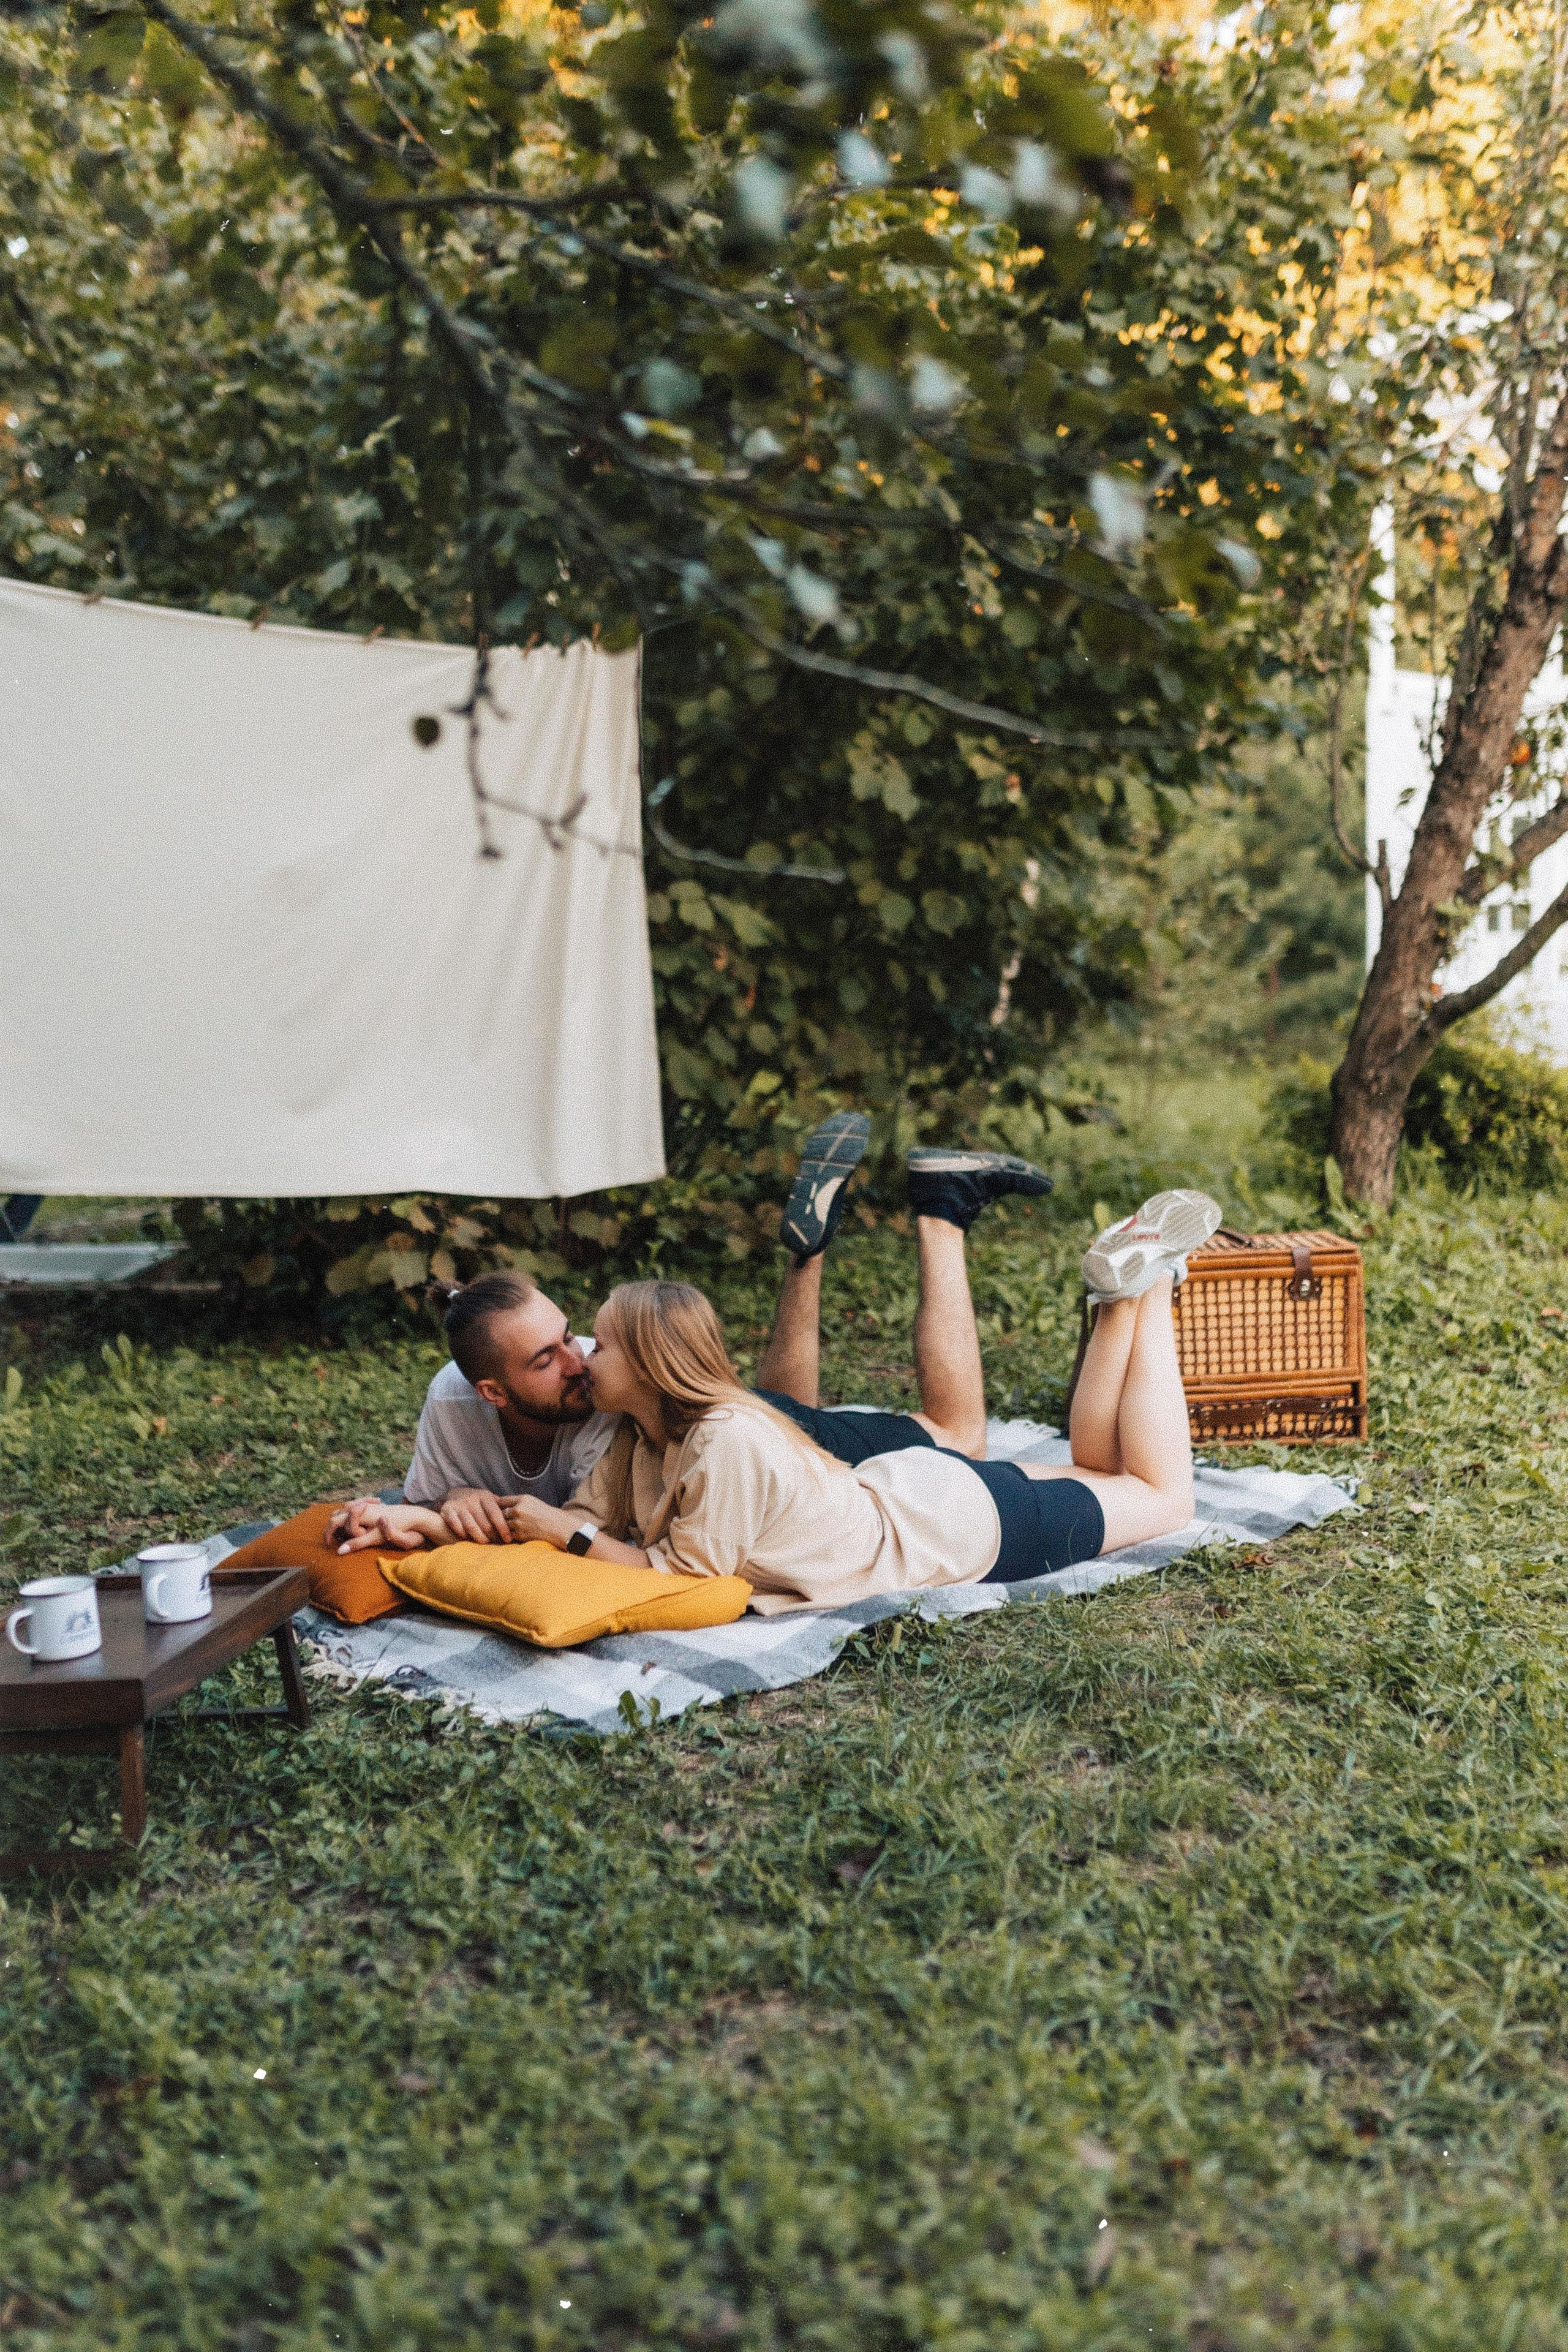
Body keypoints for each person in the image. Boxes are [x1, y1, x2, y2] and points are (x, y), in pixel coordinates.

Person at [366, 1190, 1223, 1610]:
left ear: (657, 1364)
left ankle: (1148, 1296)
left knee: (1161, 1495)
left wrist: (571, 1533)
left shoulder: (724, 1440)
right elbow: (568, 1523)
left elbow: (685, 1587)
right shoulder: (636, 1431)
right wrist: (427, 1521)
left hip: (954, 1531)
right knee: (1105, 1471)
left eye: (601, 1342)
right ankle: (1132, 1291)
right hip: (917, 1495)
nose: (588, 1356)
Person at [327, 1112, 1052, 1555]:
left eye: (572, 1336)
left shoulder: (595, 1404)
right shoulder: (452, 1404)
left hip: (736, 1443)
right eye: (544, 1359)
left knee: (960, 1436)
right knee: (776, 1411)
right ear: (488, 1389)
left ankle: (940, 1210)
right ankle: (808, 1253)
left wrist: (449, 1516)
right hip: (740, 1438)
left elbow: (599, 1538)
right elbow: (434, 1501)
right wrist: (444, 1502)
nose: (579, 1362)